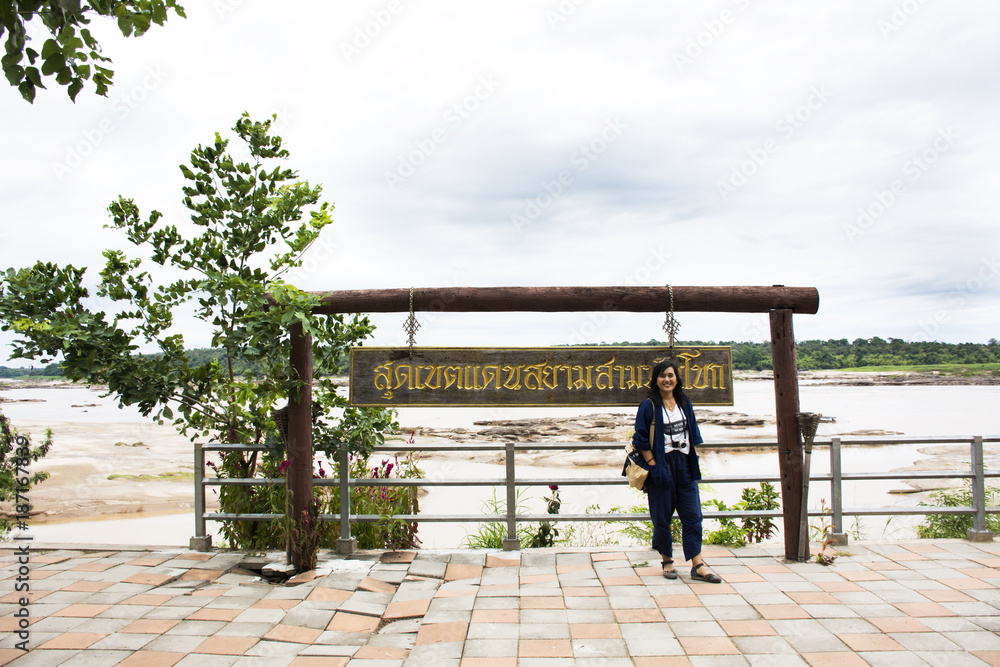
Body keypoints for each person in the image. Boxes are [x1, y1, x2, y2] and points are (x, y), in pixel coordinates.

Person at [632, 359, 722, 583]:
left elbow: (693, 431)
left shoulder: (683, 402)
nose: (667, 380)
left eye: (671, 375)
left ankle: (697, 564)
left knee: (693, 516)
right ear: (656, 380)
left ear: (677, 379)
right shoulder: (649, 405)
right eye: (662, 376)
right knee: (662, 516)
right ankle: (667, 561)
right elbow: (640, 438)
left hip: (685, 465)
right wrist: (652, 464)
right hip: (661, 465)